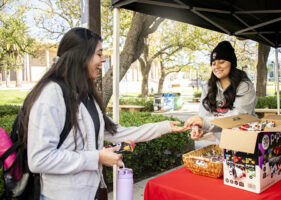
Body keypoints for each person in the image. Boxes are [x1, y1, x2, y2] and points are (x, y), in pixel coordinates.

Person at [25, 27, 187, 200]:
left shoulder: (86, 95)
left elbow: (119, 132)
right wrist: (97, 157)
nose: (103, 60)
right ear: (81, 55)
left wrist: (165, 127)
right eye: (99, 53)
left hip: (89, 194)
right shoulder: (52, 93)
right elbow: (39, 159)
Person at [185, 41, 257, 144]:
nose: (216, 66)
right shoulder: (208, 86)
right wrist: (199, 127)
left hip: (247, 140)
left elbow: (239, 116)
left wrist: (205, 123)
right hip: (223, 142)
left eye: (222, 62)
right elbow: (203, 114)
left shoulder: (244, 85)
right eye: (213, 63)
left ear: (231, 63)